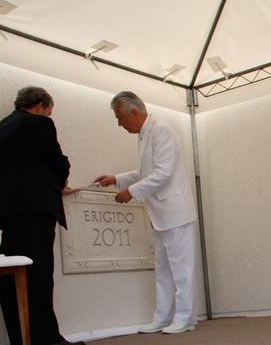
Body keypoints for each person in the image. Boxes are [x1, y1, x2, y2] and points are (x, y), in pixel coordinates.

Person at [94, 91, 198, 334]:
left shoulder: (161, 131)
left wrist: (130, 191)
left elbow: (163, 174)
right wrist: (116, 179)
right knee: (163, 269)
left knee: (182, 269)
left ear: (134, 113)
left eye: (120, 118)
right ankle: (163, 317)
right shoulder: (143, 135)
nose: (119, 124)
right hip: (161, 214)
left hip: (175, 213)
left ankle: (185, 319)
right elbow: (145, 172)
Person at [0, 86, 84, 345]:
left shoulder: (2, 127)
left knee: (12, 279)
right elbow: (58, 161)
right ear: (39, 106)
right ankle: (48, 340)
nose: (48, 116)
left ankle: (20, 338)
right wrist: (59, 184)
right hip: (35, 209)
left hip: (6, 213)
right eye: (49, 111)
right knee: (38, 275)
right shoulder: (38, 123)